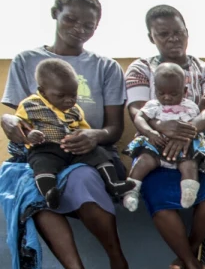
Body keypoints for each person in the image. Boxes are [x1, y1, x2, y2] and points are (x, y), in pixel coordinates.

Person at [1, 0, 136, 269]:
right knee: (38, 197)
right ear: (55, 14)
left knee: (82, 181)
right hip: (39, 155)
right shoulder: (26, 61)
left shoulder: (105, 67)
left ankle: (119, 264)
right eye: (71, 20)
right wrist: (9, 121)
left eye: (88, 25)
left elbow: (114, 129)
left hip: (86, 153)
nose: (80, 29)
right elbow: (12, 113)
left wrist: (92, 136)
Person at [124, 5, 205, 269]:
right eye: (164, 34)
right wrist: (159, 129)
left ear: (187, 33)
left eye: (178, 32)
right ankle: (191, 263)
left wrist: (187, 131)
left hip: (194, 148)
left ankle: (189, 251)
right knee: (159, 200)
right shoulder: (140, 68)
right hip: (155, 143)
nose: (173, 39)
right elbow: (137, 109)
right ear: (151, 37)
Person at [16, 59, 134, 208]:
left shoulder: (75, 109)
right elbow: (20, 125)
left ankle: (113, 184)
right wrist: (30, 134)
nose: (69, 100)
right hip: (45, 148)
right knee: (41, 163)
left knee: (99, 152)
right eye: (61, 96)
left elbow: (84, 129)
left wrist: (83, 136)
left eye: (73, 95)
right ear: (43, 91)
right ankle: (49, 194)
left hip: (72, 148)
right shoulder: (29, 105)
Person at [125, 63, 205, 210]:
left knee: (190, 165)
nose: (167, 98)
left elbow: (197, 124)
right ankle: (131, 191)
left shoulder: (191, 106)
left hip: (182, 149)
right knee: (143, 162)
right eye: (161, 93)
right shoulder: (153, 105)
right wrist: (150, 132)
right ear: (155, 90)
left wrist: (203, 105)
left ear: (185, 91)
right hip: (156, 146)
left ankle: (189, 191)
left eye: (173, 94)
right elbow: (139, 118)